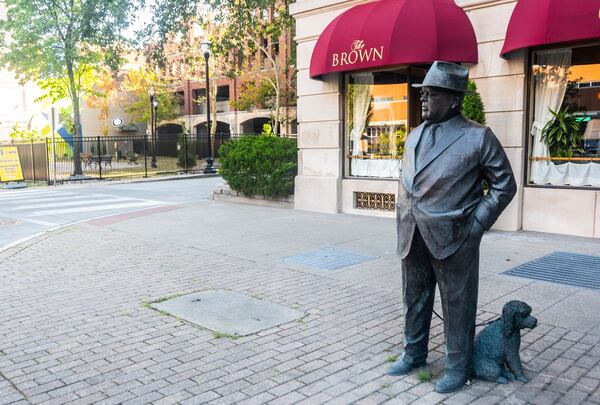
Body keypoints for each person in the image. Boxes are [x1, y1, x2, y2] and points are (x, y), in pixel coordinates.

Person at [388, 61, 517, 393]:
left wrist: (477, 224)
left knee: (457, 305)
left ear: (455, 100)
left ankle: (458, 368)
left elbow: (505, 185)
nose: (424, 99)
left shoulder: (478, 137)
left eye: (432, 94)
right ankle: (413, 353)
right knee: (414, 298)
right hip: (412, 232)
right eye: (423, 93)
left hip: (456, 235)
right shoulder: (414, 135)